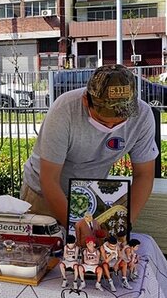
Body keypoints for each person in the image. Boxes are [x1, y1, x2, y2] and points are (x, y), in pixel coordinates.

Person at [21, 65, 158, 227]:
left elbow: (144, 175)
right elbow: (49, 179)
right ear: (86, 100)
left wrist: (126, 223)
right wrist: (74, 227)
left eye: (120, 121)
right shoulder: (64, 110)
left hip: (91, 194)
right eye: (103, 120)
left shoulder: (142, 115)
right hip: (42, 194)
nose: (110, 127)